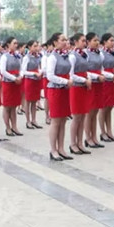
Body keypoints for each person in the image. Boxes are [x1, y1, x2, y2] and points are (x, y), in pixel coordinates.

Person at [45, 32, 73, 161]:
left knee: (63, 120)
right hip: (56, 90)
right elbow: (50, 76)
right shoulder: (52, 57)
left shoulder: (66, 56)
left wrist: (69, 80)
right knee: (56, 121)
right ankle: (53, 150)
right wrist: (65, 81)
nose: (65, 42)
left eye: (66, 40)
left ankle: (61, 148)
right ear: (55, 42)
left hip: (65, 90)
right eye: (62, 40)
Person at [68, 33, 93, 155]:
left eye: (85, 41)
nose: (85, 43)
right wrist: (84, 80)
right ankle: (73, 144)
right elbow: (71, 74)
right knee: (77, 117)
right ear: (76, 42)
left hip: (84, 87)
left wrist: (88, 78)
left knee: (83, 116)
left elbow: (86, 70)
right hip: (76, 88)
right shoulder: (72, 56)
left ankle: (80, 142)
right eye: (82, 41)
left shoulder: (84, 55)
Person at [84, 32, 106, 148]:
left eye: (98, 40)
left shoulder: (100, 54)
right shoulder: (85, 54)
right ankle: (88, 138)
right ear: (88, 42)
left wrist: (102, 75)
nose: (97, 42)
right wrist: (96, 76)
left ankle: (94, 136)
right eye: (94, 40)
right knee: (89, 112)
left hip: (99, 84)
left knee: (96, 111)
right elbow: (84, 71)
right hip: (91, 84)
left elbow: (101, 68)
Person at [0, 37, 23, 136]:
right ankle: (8, 127)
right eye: (14, 43)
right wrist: (14, 78)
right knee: (7, 106)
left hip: (16, 83)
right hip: (8, 83)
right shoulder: (4, 57)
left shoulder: (18, 56)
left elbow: (21, 68)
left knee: (14, 106)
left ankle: (14, 126)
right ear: (8, 44)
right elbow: (3, 71)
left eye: (17, 43)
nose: (16, 45)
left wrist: (20, 76)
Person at [99, 33, 114, 142]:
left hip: (112, 81)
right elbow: (101, 70)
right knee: (103, 108)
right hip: (105, 81)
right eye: (111, 40)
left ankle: (109, 131)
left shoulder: (113, 52)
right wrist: (111, 75)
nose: (113, 42)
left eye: (113, 40)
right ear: (105, 42)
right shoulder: (101, 53)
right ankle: (103, 132)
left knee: (110, 107)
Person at [21, 40, 43, 130]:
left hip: (36, 80)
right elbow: (23, 71)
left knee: (34, 101)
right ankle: (28, 121)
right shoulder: (26, 57)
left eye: (37, 46)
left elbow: (39, 67)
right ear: (29, 47)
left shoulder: (38, 56)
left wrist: (40, 72)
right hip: (29, 80)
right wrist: (33, 73)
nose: (37, 48)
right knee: (28, 101)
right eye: (34, 46)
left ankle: (34, 120)